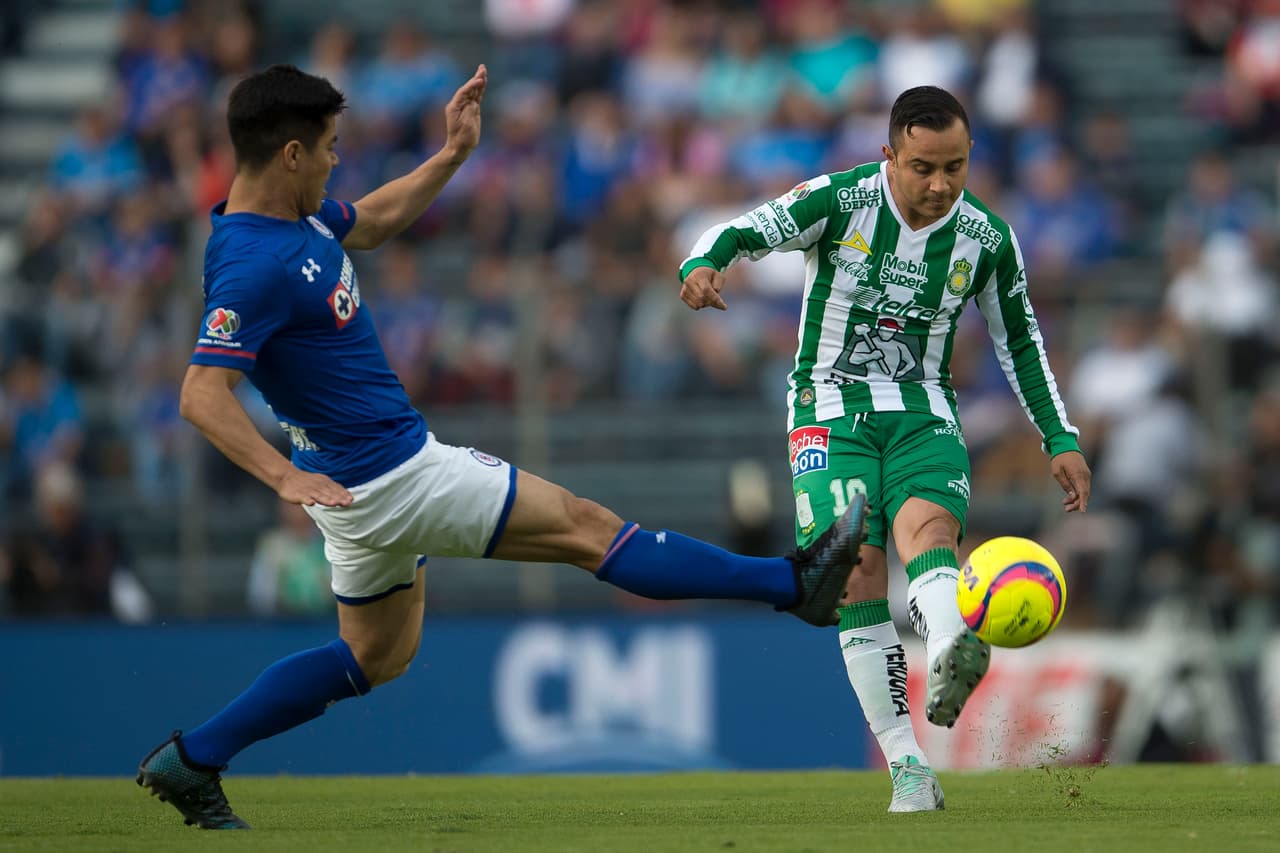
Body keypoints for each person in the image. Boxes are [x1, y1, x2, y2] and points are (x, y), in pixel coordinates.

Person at [135, 63, 866, 830]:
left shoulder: (295, 221)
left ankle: (194, 758)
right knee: (590, 529)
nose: (335, 161)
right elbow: (200, 393)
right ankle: (794, 584)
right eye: (328, 148)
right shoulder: (254, 262)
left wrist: (451, 155)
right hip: (394, 474)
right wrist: (283, 476)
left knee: (375, 657)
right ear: (289, 153)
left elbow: (376, 220)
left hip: (356, 491)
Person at [678, 85, 1092, 812]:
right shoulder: (839, 201)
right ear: (889, 157)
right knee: (856, 571)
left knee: (928, 530)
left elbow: (1021, 339)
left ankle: (952, 637)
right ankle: (908, 765)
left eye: (955, 168)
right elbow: (744, 230)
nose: (939, 186)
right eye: (923, 167)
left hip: (924, 411)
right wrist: (701, 267)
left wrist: (1059, 436)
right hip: (827, 411)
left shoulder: (987, 239)